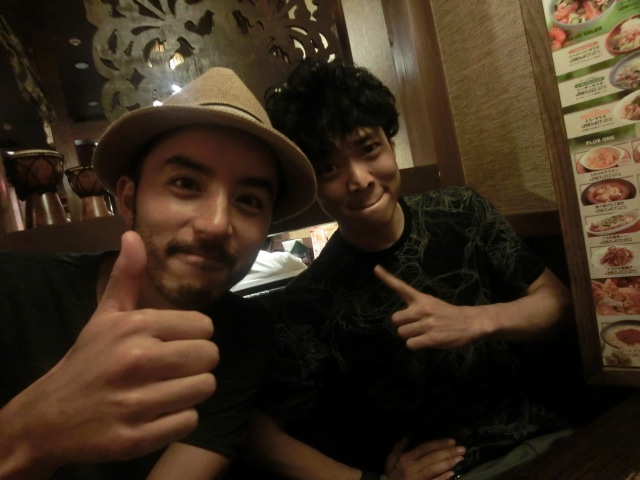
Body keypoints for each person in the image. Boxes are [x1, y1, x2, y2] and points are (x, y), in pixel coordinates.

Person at [235, 59, 575, 480]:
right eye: (329, 168)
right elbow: (259, 435)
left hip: (540, 440)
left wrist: (476, 320)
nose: (359, 179)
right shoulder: (309, 300)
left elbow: (558, 303)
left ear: (390, 143)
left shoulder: (461, 212)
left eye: (368, 149)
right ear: (311, 185)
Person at [0, 67, 316, 479]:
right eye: (186, 183)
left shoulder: (242, 331)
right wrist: (29, 433)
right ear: (128, 200)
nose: (216, 224)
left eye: (250, 201)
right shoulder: (12, 292)